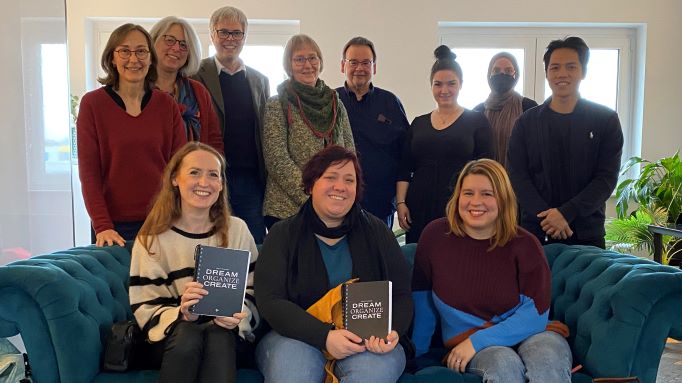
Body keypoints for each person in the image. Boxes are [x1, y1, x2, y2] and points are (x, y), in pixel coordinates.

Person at [255, 145, 412, 383]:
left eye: (349, 180)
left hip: (367, 341)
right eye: (330, 177)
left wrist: (393, 333)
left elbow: (401, 295)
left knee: (370, 375)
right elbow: (271, 301)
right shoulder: (282, 234)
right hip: (294, 337)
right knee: (293, 373)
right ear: (310, 185)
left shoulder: (378, 231)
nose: (340, 186)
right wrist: (325, 336)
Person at [412, 158, 572, 382]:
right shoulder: (434, 236)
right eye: (468, 193)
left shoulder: (525, 244)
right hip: (474, 344)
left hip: (532, 333)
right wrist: (417, 356)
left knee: (547, 359)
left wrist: (475, 342)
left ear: (503, 199)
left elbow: (535, 314)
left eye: (487, 194)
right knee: (503, 363)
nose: (476, 202)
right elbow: (423, 303)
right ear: (457, 197)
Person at [129, 141, 259, 383]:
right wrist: (181, 313)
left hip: (229, 335)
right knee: (189, 333)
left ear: (221, 184)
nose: (204, 183)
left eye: (213, 175)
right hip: (171, 337)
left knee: (219, 334)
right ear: (175, 179)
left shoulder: (237, 230)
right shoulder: (152, 238)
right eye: (194, 173)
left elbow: (254, 292)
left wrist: (238, 316)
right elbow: (145, 305)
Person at [507, 36, 624, 248]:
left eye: (571, 67)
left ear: (583, 71)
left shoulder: (605, 120)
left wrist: (566, 213)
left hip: (586, 232)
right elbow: (518, 176)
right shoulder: (526, 122)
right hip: (536, 232)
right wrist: (548, 218)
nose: (562, 74)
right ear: (547, 73)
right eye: (555, 67)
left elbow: (605, 178)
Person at [77, 23, 186, 247]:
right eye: (124, 51)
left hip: (161, 221)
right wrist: (102, 225)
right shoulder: (93, 104)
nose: (133, 59)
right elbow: (89, 174)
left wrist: (178, 217)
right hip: (113, 227)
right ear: (112, 58)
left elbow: (179, 167)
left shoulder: (166, 104)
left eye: (141, 51)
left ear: (150, 58)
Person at [396, 45, 493, 243]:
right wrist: (401, 203)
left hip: (460, 206)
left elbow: (487, 169)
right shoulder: (418, 122)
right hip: (418, 207)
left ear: (461, 84)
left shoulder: (477, 121)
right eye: (438, 84)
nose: (444, 90)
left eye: (451, 83)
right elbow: (404, 167)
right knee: (421, 261)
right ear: (431, 85)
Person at [193, 6, 270, 244]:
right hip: (211, 177)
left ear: (244, 37)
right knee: (213, 243)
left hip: (250, 181)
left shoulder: (259, 80)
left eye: (237, 33)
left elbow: (264, 132)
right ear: (212, 35)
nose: (230, 39)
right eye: (223, 32)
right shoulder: (196, 74)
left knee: (254, 246)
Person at [262, 34, 355, 228]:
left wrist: (332, 195)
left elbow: (349, 154)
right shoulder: (277, 103)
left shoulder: (336, 103)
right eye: (299, 59)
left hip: (330, 206)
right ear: (289, 64)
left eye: (313, 58)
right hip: (287, 209)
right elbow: (276, 159)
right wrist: (312, 194)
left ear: (320, 61)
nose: (307, 64)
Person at [337, 36, 409, 228]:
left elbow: (405, 153)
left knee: (377, 256)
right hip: (338, 202)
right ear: (343, 65)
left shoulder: (391, 103)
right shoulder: (330, 102)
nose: (359, 68)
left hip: (381, 204)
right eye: (353, 62)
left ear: (374, 67)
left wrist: (400, 200)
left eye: (366, 62)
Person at [149, 16, 223, 153]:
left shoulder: (198, 91)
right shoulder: (138, 89)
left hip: (193, 172)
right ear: (153, 41)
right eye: (170, 40)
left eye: (184, 45)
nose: (176, 48)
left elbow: (213, 141)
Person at [473, 52, 538, 168]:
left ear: (515, 75)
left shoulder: (529, 107)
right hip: (486, 181)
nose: (502, 74)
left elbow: (535, 151)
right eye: (496, 71)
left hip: (518, 182)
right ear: (489, 75)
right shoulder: (477, 111)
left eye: (508, 71)